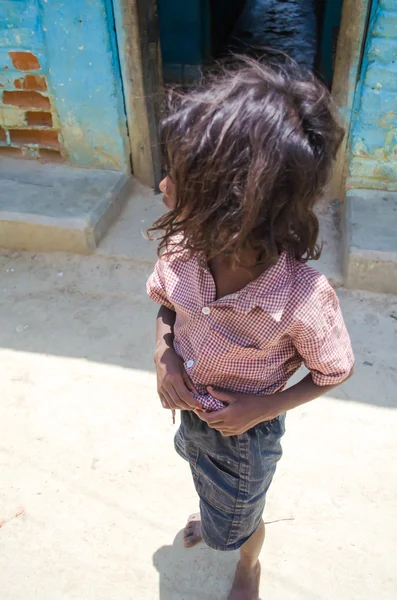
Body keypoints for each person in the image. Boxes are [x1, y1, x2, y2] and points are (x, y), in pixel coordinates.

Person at [146, 57, 354, 600]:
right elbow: (167, 304)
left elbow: (334, 370)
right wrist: (165, 351)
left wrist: (262, 408)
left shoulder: (301, 298)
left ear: (236, 205)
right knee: (200, 472)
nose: (164, 185)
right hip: (194, 413)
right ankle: (218, 517)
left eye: (182, 177)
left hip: (248, 435)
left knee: (243, 513)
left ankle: (248, 561)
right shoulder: (182, 248)